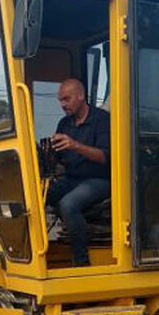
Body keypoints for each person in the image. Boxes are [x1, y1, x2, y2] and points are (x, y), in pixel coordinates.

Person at [47, 78, 111, 266]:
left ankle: (81, 262)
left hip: (100, 179)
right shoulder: (64, 124)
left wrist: (75, 145)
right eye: (60, 100)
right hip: (72, 178)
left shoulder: (102, 120)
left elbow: (105, 157)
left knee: (68, 204)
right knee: (39, 197)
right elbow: (59, 160)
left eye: (66, 99)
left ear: (81, 96)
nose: (63, 105)